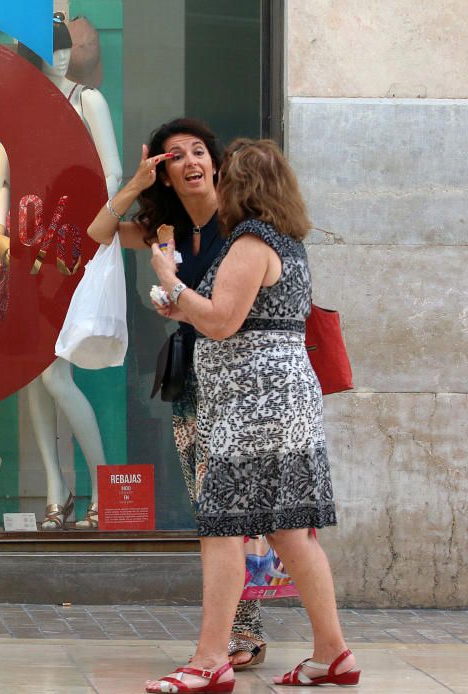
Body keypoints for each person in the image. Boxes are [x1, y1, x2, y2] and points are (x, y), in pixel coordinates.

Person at [144, 139, 356, 692]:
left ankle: (209, 659)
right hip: (288, 407)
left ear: (240, 187)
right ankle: (333, 654)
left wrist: (170, 279)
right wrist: (181, 298)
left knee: (221, 529)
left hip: (251, 410)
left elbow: (219, 322)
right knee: (290, 533)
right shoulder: (288, 242)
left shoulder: (251, 239)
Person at [88, 119, 266, 667]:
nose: (189, 162)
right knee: (209, 508)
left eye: (197, 152)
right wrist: (137, 184)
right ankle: (236, 628)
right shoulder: (163, 230)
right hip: (191, 382)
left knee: (242, 511)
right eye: (174, 156)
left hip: (241, 383)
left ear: (214, 163)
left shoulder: (241, 224)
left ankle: (248, 631)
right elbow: (100, 232)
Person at [0, 13, 121, 530]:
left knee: (54, 373)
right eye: (51, 47)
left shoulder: (87, 101)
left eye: (65, 46)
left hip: (67, 252)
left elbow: (111, 173)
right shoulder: (19, 112)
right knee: (31, 374)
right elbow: (1, 180)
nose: (60, 57)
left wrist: (84, 233)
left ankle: (104, 484)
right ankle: (56, 490)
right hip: (22, 251)